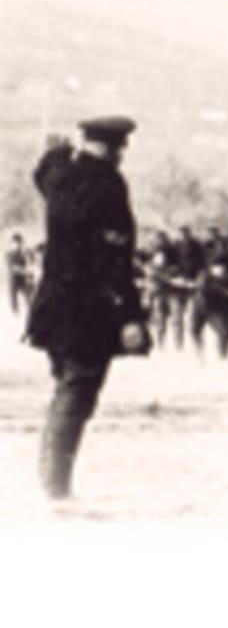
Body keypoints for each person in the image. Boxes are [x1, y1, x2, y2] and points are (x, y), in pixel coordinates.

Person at [25, 118, 151, 500]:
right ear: (116, 148)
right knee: (77, 393)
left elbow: (43, 171)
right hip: (88, 311)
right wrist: (130, 315)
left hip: (52, 307)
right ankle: (56, 491)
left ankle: (51, 483)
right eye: (121, 148)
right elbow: (113, 260)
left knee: (65, 388)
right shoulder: (108, 186)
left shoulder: (61, 176)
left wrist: (58, 151)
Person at [6, 232, 32, 316]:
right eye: (15, 243)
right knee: (13, 298)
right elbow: (14, 268)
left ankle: (30, 311)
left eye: (19, 243)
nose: (17, 245)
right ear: (12, 244)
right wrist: (26, 272)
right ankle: (15, 314)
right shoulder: (9, 254)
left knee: (28, 296)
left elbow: (31, 260)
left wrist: (27, 253)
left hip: (23, 278)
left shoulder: (24, 252)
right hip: (14, 279)